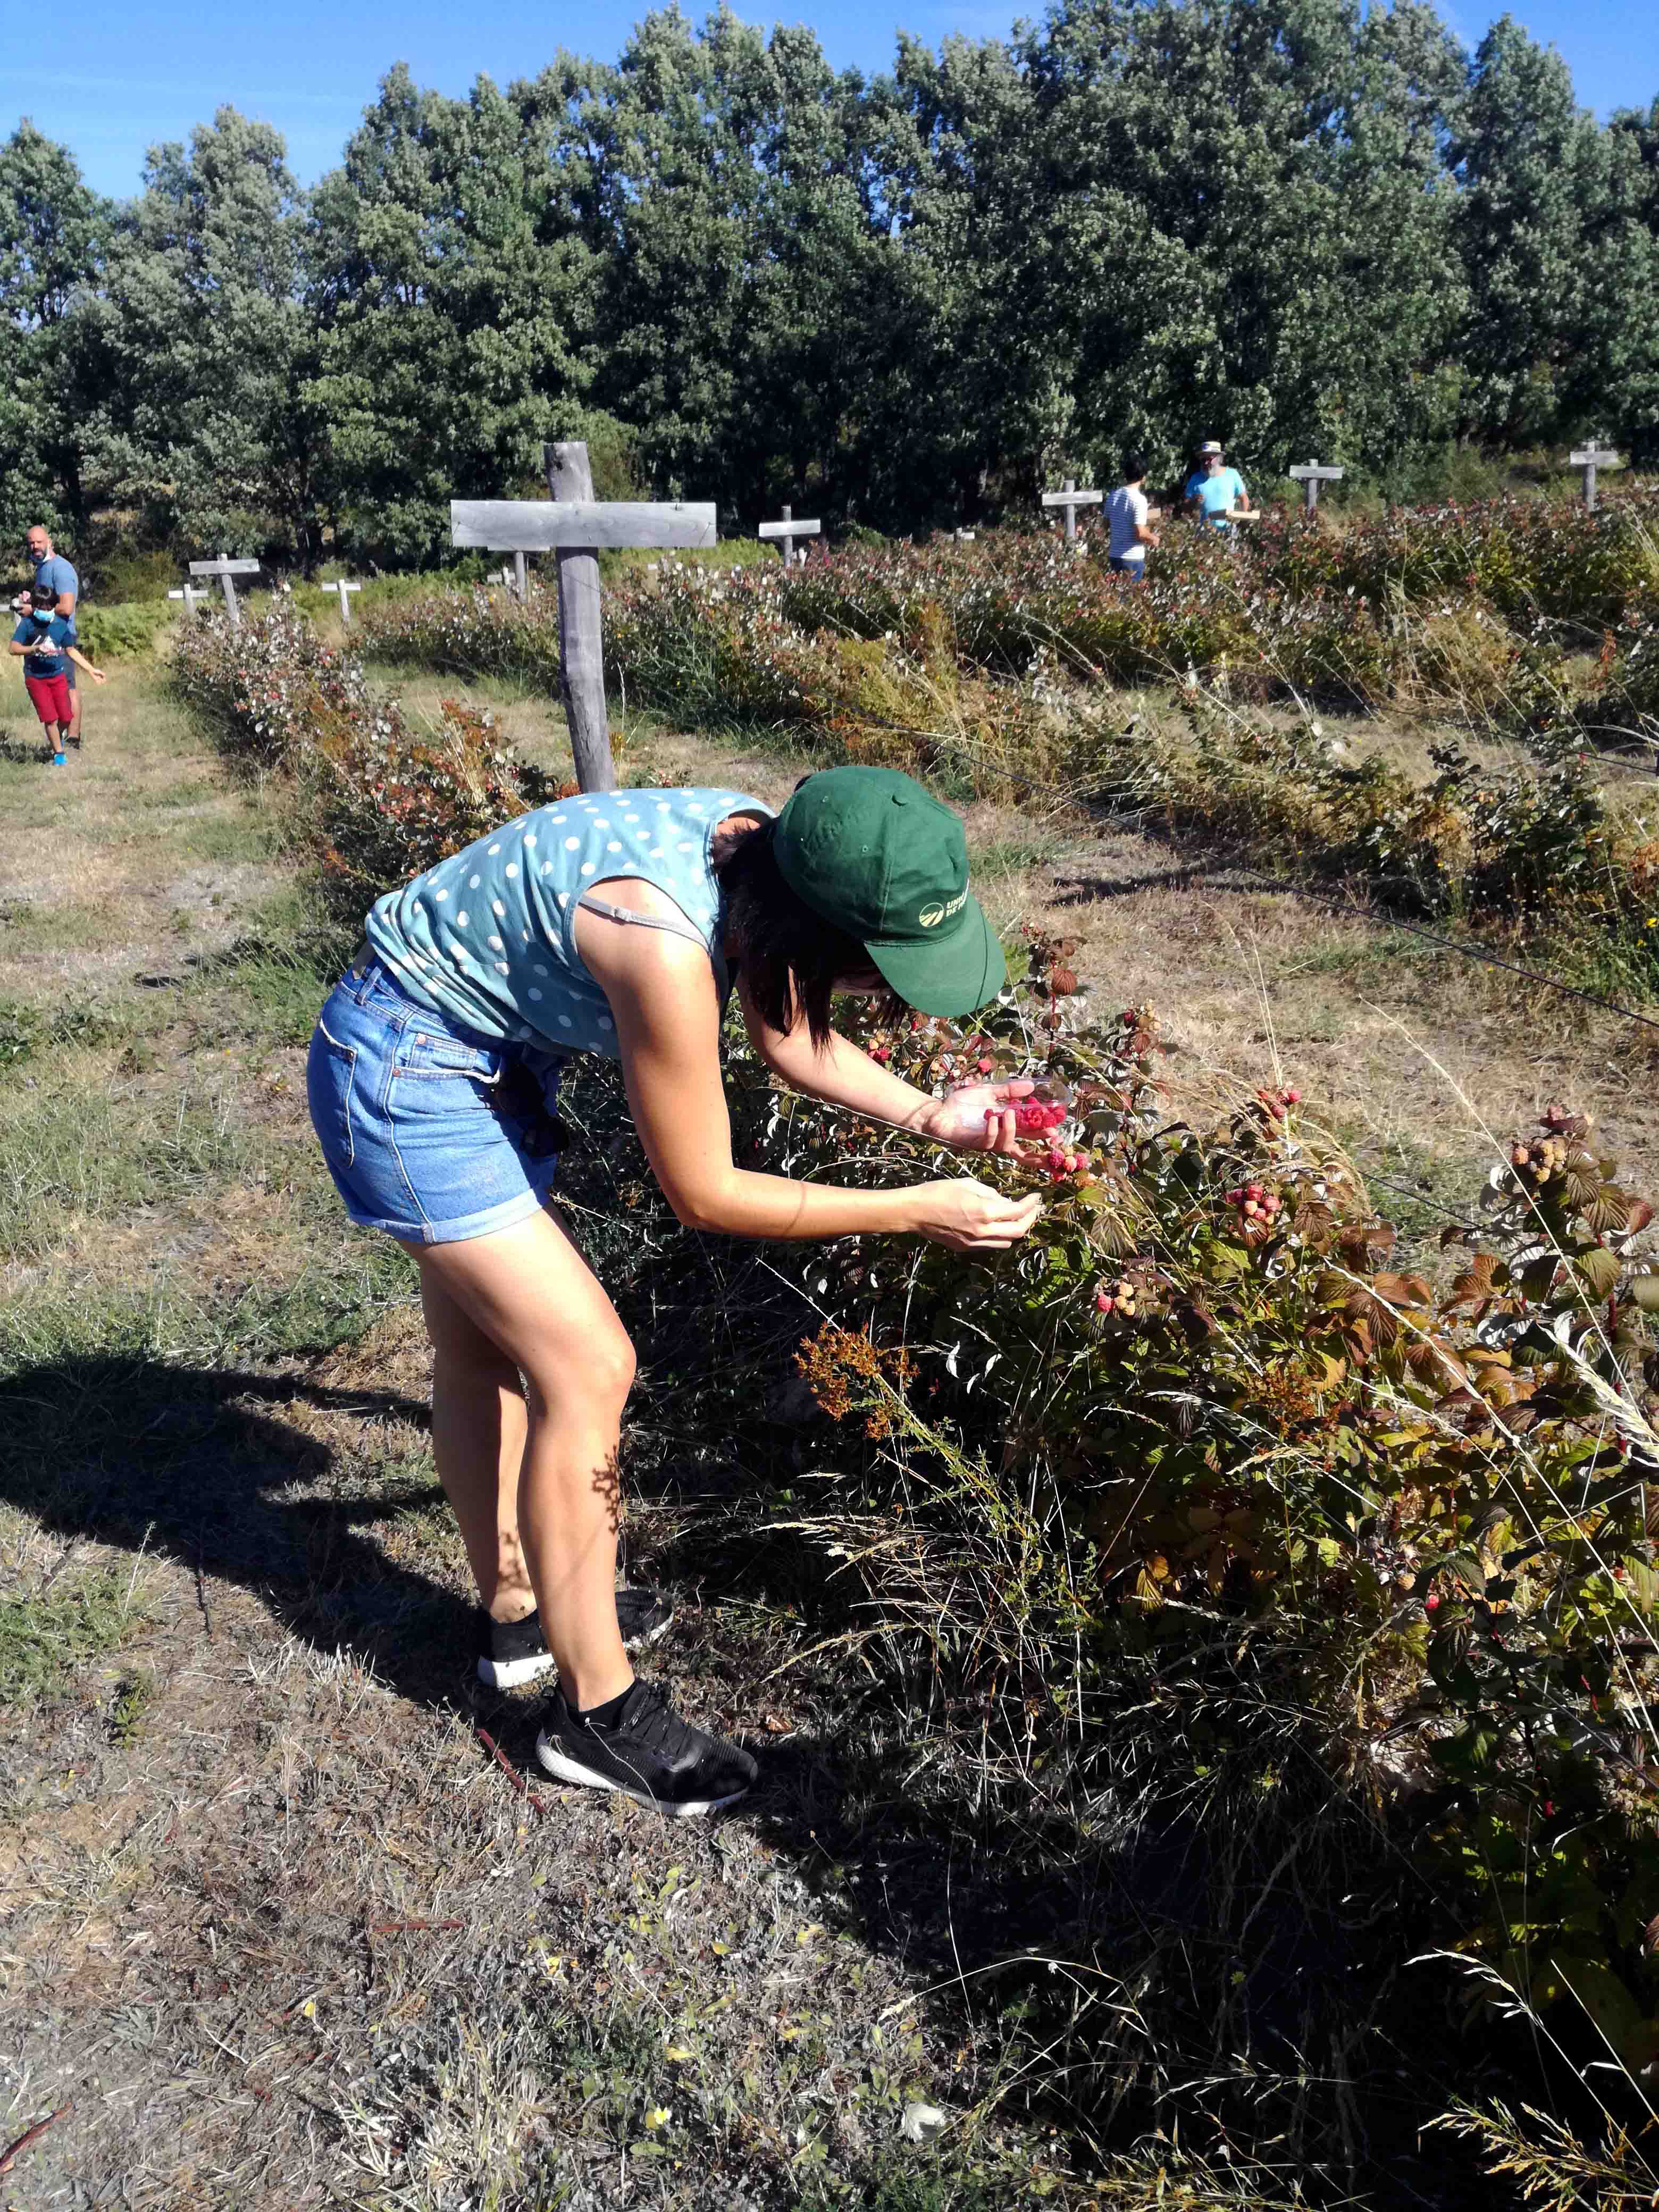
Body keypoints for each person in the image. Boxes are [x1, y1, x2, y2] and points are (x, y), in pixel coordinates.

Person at [306, 766, 1043, 1817]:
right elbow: (703, 1191)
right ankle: (597, 1717)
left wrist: (933, 1114)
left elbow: (783, 1026)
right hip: (409, 1076)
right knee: (590, 1364)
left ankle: (522, 1622)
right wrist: (913, 1206)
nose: (882, 992)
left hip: (473, 1056)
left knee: (487, 1351)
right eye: (882, 971)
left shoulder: (760, 848)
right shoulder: (657, 937)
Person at [10, 582, 105, 762]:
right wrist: (35, 648)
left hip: (57, 677)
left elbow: (71, 650)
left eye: (49, 607)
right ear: (35, 606)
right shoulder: (28, 624)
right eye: (41, 607)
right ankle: (59, 754)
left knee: (67, 717)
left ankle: (56, 738)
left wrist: (92, 671)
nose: (45, 610)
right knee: (50, 718)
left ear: (54, 606)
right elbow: (13, 648)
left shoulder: (61, 625)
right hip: (36, 679)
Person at [25, 525, 80, 747]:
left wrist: (34, 611)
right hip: (44, 639)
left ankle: (74, 738)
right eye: (31, 543)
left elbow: (66, 608)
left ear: (50, 541)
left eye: (39, 542)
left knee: (68, 688)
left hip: (62, 637)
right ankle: (62, 738)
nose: (35, 546)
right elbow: (47, 601)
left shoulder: (61, 568)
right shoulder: (42, 569)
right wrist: (30, 601)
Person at [1106, 453, 1160, 579]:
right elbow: (1140, 533)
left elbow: (1107, 525)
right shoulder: (1139, 500)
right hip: (1132, 559)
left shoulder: (1113, 496)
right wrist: (1153, 538)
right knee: (1130, 596)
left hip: (1114, 556)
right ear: (1143, 477)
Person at [1183, 441, 1251, 533]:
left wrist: (1243, 518)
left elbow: (1244, 498)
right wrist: (1193, 501)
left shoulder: (1232, 475)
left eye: (1209, 459)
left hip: (1228, 533)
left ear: (1219, 459)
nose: (1206, 463)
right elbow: (1185, 507)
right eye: (1203, 460)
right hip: (1203, 534)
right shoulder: (1195, 479)